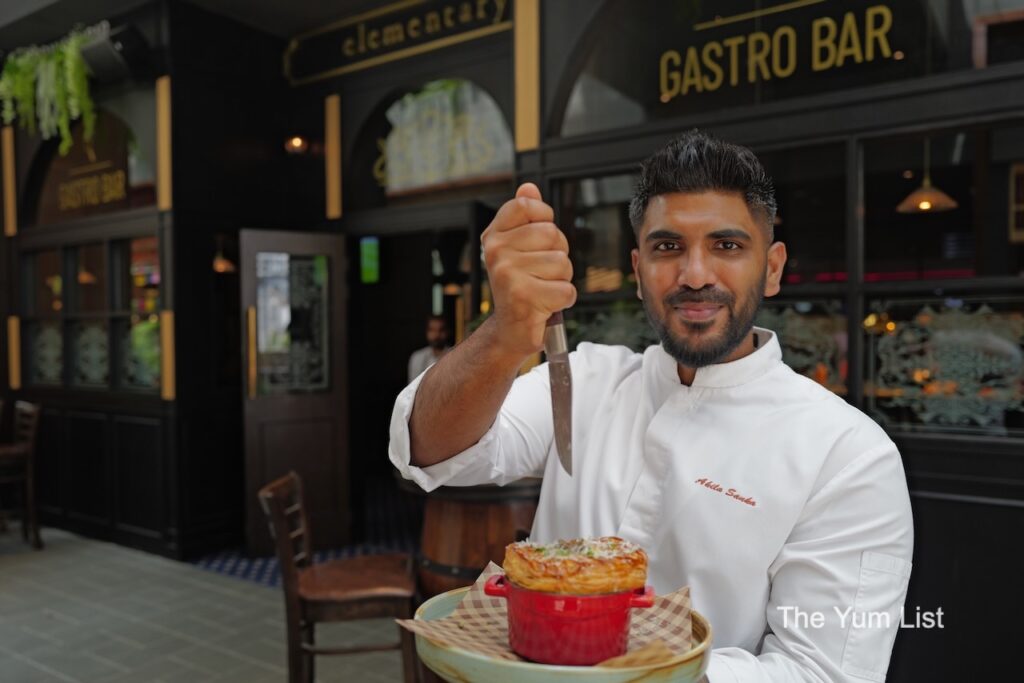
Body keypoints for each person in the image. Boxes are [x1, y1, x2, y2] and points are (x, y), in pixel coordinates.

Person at [390, 130, 913, 682]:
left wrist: (629, 675)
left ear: (774, 267)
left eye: (727, 246)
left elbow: (825, 672)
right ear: (638, 272)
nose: (695, 275)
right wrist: (505, 332)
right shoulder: (587, 379)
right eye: (668, 248)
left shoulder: (848, 454)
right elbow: (427, 447)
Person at [407, 315, 450, 384]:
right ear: (427, 332)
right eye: (432, 330)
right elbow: (413, 387)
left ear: (447, 332)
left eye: (441, 330)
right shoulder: (417, 357)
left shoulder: (454, 355)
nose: (437, 335)